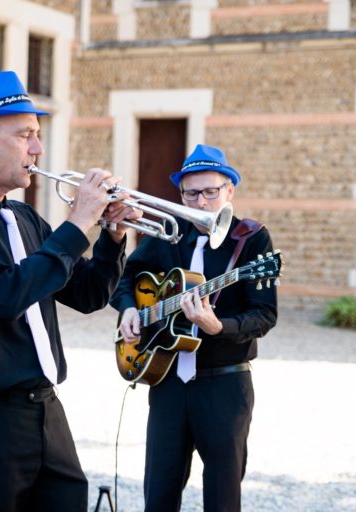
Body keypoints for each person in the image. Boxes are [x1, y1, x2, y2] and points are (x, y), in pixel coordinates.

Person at [0, 70, 139, 512]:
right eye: (25, 135)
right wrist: (77, 223)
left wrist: (112, 236)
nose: (38, 148)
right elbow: (7, 293)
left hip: (46, 412)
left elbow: (89, 294)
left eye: (37, 135)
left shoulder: (26, 219)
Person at [111, 144, 278, 511]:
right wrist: (126, 310)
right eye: (191, 193)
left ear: (229, 190)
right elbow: (126, 280)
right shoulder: (167, 235)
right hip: (168, 382)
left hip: (224, 384)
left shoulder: (252, 240)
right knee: (158, 495)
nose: (200, 202)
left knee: (221, 498)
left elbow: (264, 315)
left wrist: (218, 326)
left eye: (210, 192)